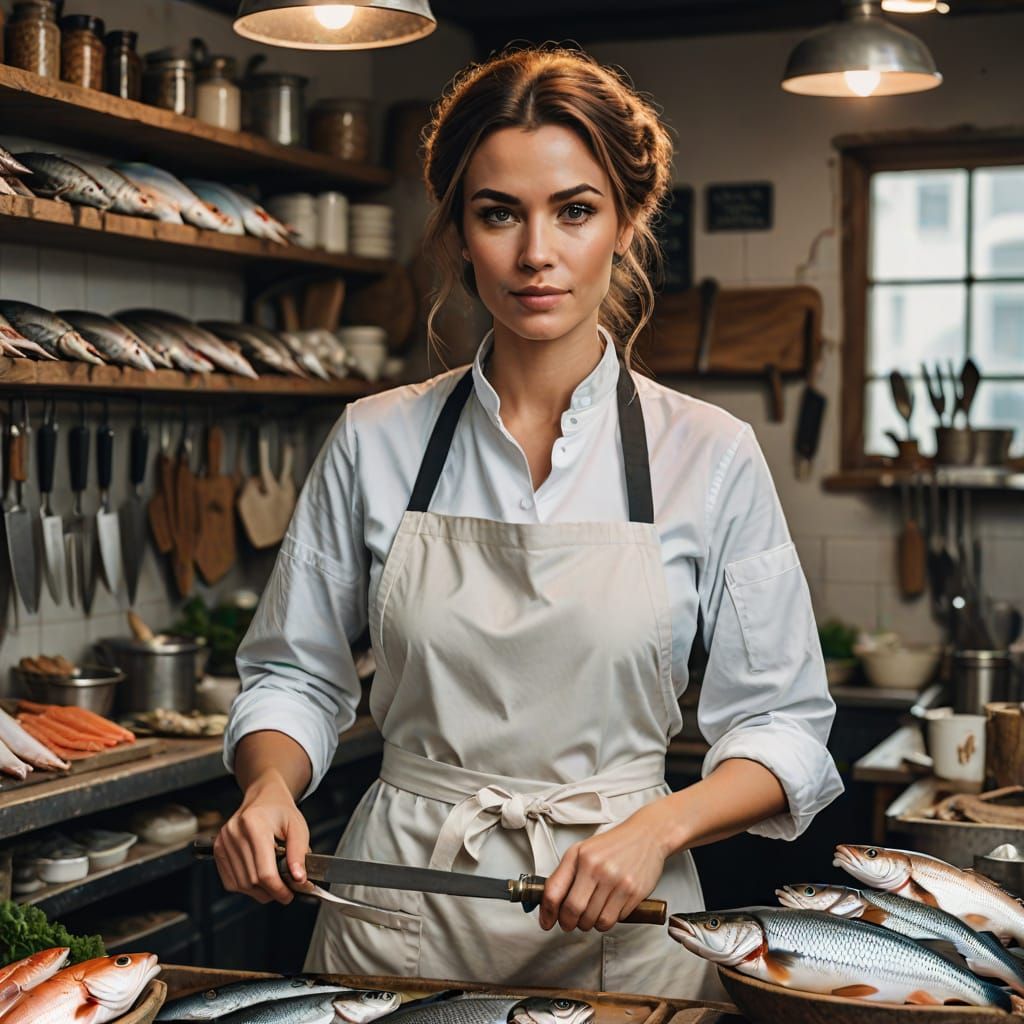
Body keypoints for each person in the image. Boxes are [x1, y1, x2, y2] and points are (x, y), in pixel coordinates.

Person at [217, 45, 843, 998]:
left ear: (627, 224)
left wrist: (658, 827)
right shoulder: (374, 439)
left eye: (576, 210)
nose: (535, 252)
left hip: (627, 921)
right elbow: (295, 674)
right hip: (397, 914)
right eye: (498, 212)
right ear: (462, 232)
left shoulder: (709, 453)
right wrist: (269, 787)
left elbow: (784, 728)